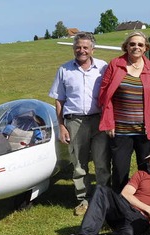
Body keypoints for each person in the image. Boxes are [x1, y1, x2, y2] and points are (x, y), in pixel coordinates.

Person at [52, 144, 150, 235]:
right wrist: (148, 209)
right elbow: (126, 194)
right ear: (149, 161)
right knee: (102, 190)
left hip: (142, 222)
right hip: (127, 211)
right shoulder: (141, 175)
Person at [48, 32, 110, 216]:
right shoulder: (64, 70)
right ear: (73, 48)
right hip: (74, 121)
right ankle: (83, 200)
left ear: (92, 49)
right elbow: (59, 100)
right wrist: (61, 125)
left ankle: (103, 198)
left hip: (99, 120)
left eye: (85, 47)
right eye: (77, 47)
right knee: (78, 163)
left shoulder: (103, 67)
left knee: (102, 162)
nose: (81, 50)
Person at [98, 31, 150, 193]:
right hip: (121, 130)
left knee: (146, 168)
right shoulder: (115, 65)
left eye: (140, 45)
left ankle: (144, 198)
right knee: (120, 169)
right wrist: (109, 122)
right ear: (126, 46)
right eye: (132, 44)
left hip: (145, 129)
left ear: (146, 48)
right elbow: (104, 95)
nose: (136, 47)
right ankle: (118, 203)